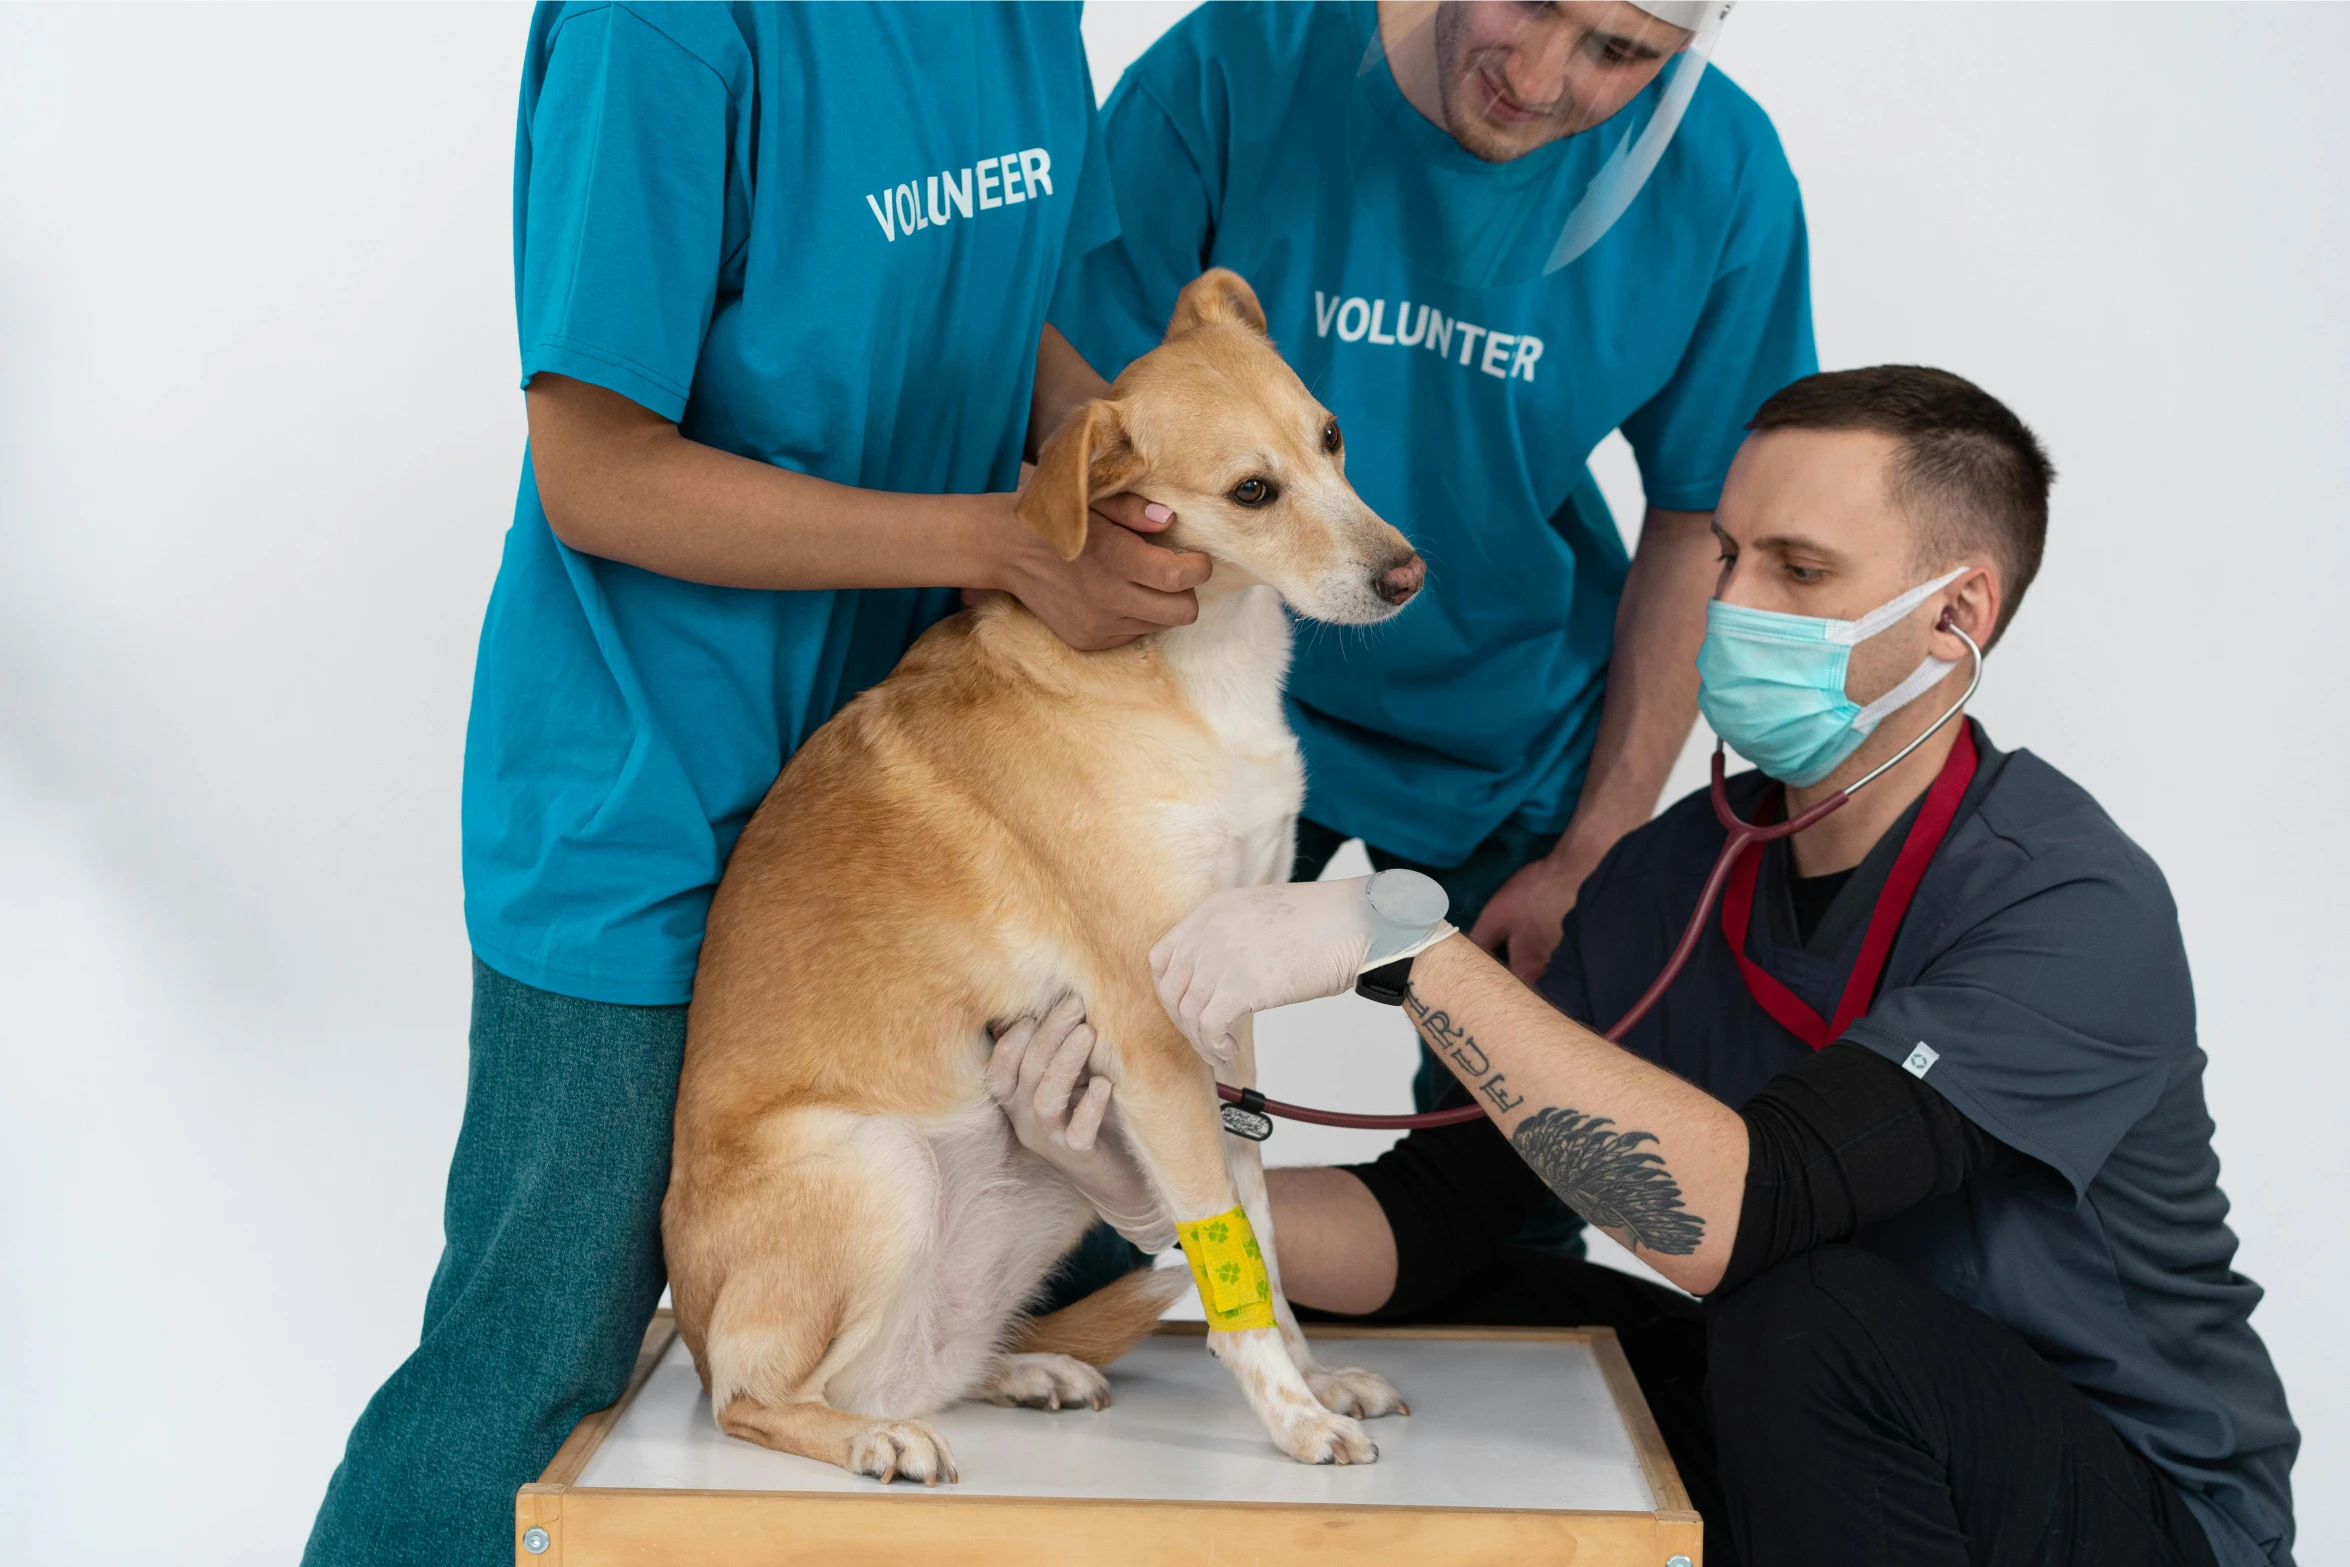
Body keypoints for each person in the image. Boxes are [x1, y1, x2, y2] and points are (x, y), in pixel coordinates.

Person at [1006, 368, 2298, 1566]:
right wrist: (1168, 1199)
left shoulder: (2064, 895)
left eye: (1798, 569)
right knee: (1427, 1312)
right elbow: (1423, 1224)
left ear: (1955, 612)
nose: (1730, 605)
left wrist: (1405, 946)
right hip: (1844, 1449)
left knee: (1805, 1312)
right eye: (1727, 554)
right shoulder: (1678, 872)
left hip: (2134, 1504)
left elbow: (1743, 1211)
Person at [300, 7, 1186, 1564]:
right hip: (646, 799)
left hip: (914, 811)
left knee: (941, 1335)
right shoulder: (666, 30)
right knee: (540, 1358)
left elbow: (1014, 307)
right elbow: (598, 473)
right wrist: (993, 541)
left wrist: (1115, 465)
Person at [1052, 0, 1816, 1007]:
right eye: (1533, 0)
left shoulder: (1719, 175)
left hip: (1508, 739)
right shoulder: (1238, 64)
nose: (1538, 79)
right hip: (1199, 694)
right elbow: (1082, 433)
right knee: (1104, 1088)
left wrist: (1596, 845)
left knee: (1524, 1140)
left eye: (1619, 52)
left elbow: (1697, 525)